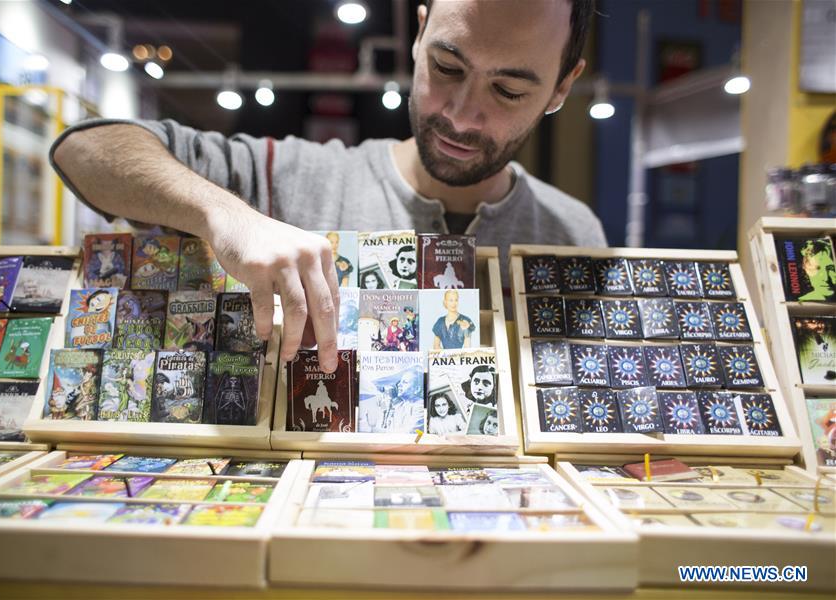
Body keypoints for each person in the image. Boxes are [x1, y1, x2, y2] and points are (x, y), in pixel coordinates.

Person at [51, 0, 605, 374]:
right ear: (417, 37)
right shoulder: (287, 175)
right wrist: (226, 215)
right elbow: (84, 151)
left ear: (561, 87)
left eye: (508, 91)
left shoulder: (572, 233)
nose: (462, 116)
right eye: (447, 68)